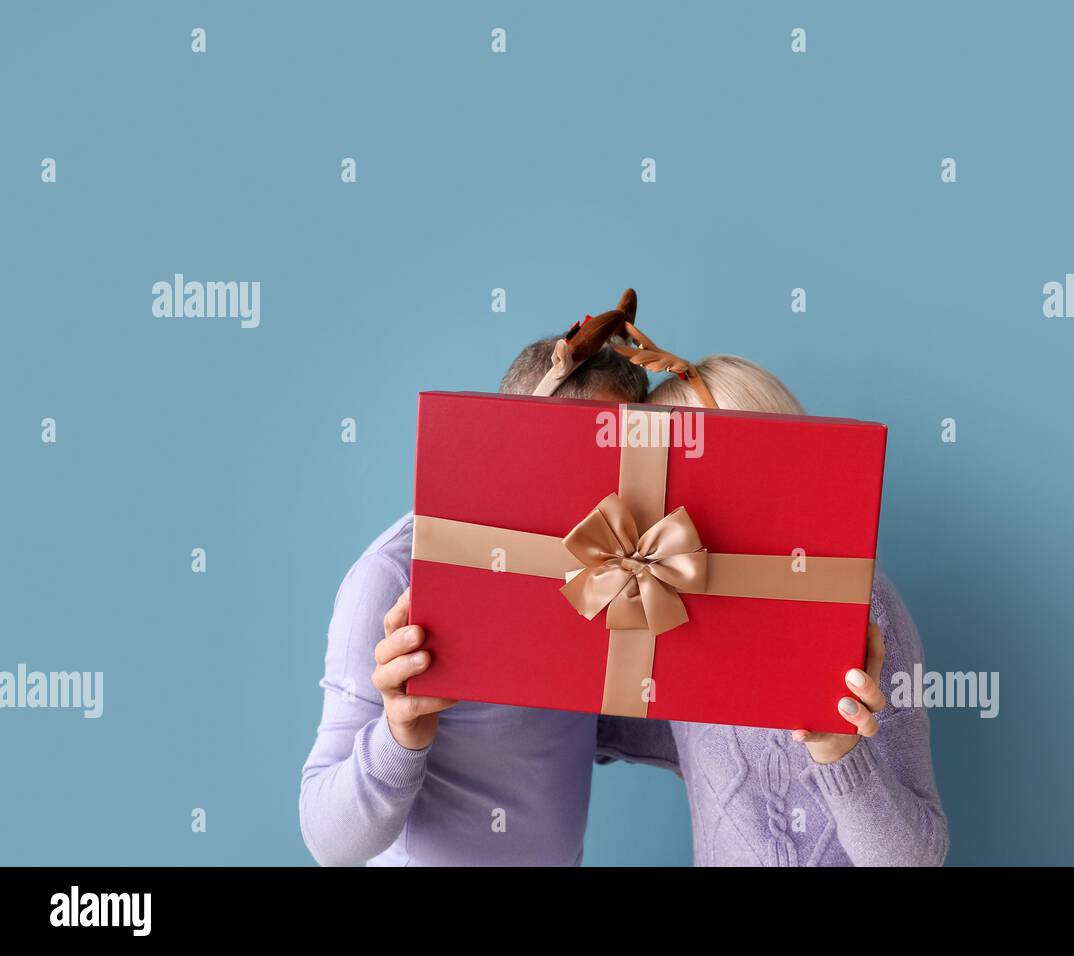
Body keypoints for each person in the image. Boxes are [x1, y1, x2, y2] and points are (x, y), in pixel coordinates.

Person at [299, 296, 648, 866]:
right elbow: (327, 839)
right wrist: (401, 734)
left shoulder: (610, 565)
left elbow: (593, 720)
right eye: (580, 462)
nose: (606, 500)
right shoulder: (395, 577)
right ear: (508, 442)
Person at [597, 354, 949, 866]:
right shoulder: (666, 597)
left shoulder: (860, 602)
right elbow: (642, 730)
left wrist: (836, 749)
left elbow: (915, 858)